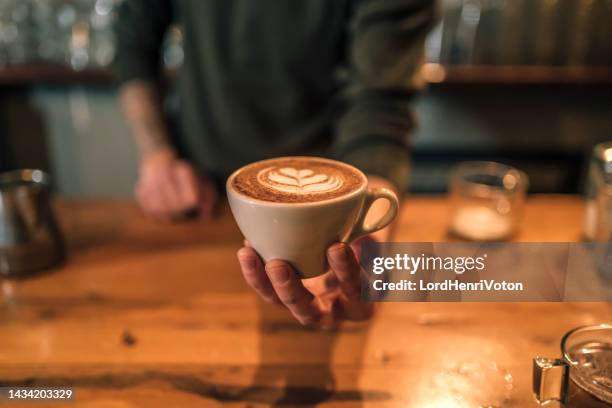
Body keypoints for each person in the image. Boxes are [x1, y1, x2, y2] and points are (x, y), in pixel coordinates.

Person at [114, 0, 437, 326]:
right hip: (197, 198)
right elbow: (133, 38)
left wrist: (367, 234)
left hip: (325, 220)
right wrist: (157, 155)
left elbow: (381, 100)